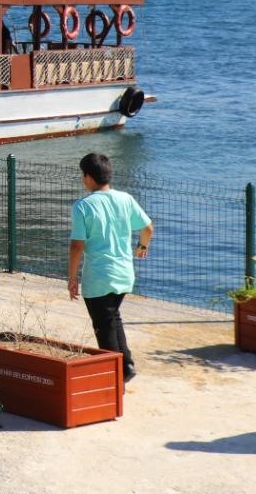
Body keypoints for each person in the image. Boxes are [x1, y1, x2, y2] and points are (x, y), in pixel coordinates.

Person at [68, 152, 153, 383]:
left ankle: (114, 378)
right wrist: (142, 247)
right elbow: (148, 228)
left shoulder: (82, 206)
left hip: (98, 277)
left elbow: (77, 246)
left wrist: (72, 278)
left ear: (88, 177)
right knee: (113, 318)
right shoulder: (125, 199)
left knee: (104, 328)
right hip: (124, 274)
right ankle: (126, 365)